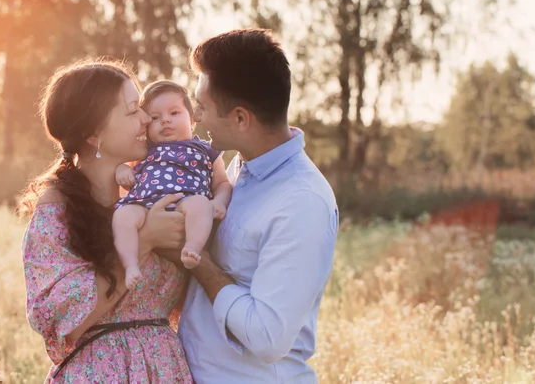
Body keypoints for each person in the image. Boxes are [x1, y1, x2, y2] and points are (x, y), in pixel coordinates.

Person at [178, 29, 339, 383]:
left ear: (240, 118)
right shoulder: (236, 171)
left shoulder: (302, 202)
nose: (196, 118)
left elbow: (268, 337)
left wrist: (197, 263)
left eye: (202, 107)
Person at [20, 59, 193, 383]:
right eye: (131, 111)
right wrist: (143, 244)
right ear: (93, 135)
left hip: (166, 370)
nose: (145, 118)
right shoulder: (58, 210)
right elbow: (62, 318)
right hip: (101, 372)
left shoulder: (150, 196)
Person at [112, 80, 232, 290]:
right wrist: (122, 171)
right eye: (155, 118)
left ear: (192, 119)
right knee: (122, 216)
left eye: (174, 113)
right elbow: (123, 168)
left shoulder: (205, 150)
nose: (165, 121)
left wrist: (220, 202)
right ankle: (130, 263)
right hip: (144, 206)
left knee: (200, 204)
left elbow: (222, 183)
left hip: (184, 203)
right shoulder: (144, 150)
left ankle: (192, 248)